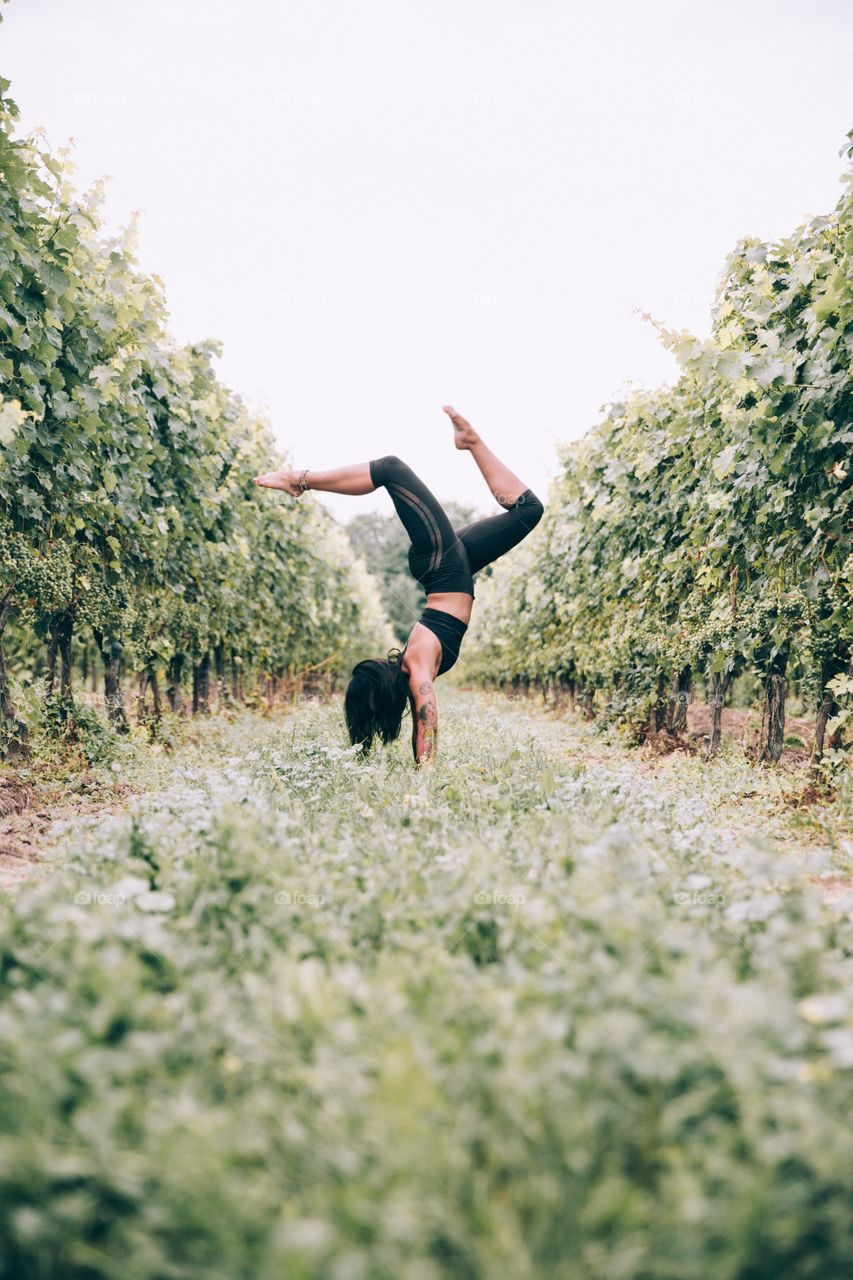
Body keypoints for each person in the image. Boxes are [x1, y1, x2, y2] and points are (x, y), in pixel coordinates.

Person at [254, 406, 543, 766]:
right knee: (526, 511)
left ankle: (470, 442)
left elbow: (424, 719)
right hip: (447, 567)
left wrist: (424, 768)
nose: (379, 659)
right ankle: (301, 480)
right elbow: (426, 719)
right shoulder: (416, 664)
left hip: (445, 568)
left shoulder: (413, 663)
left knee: (393, 469)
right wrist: (425, 774)